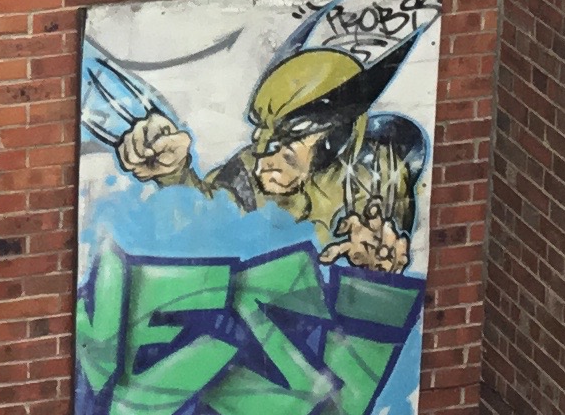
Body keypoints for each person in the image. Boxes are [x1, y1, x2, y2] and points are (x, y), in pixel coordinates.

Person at [114, 44, 422, 270]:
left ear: (336, 137)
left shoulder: (380, 173)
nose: (263, 160)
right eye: (263, 137)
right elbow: (202, 227)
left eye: (285, 146)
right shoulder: (245, 173)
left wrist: (378, 270)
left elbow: (389, 254)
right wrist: (174, 175)